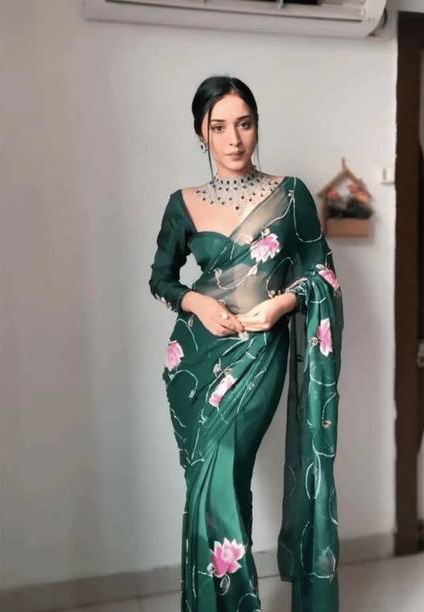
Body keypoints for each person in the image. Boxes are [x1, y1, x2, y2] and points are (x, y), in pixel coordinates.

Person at [148, 75, 344, 612]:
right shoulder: (183, 204)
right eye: (219, 127)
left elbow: (322, 274)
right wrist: (196, 302)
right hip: (193, 360)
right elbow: (161, 279)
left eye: (244, 123)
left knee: (222, 475)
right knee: (210, 485)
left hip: (259, 354)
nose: (233, 139)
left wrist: (282, 304)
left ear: (257, 126)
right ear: (201, 133)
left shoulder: (291, 195)